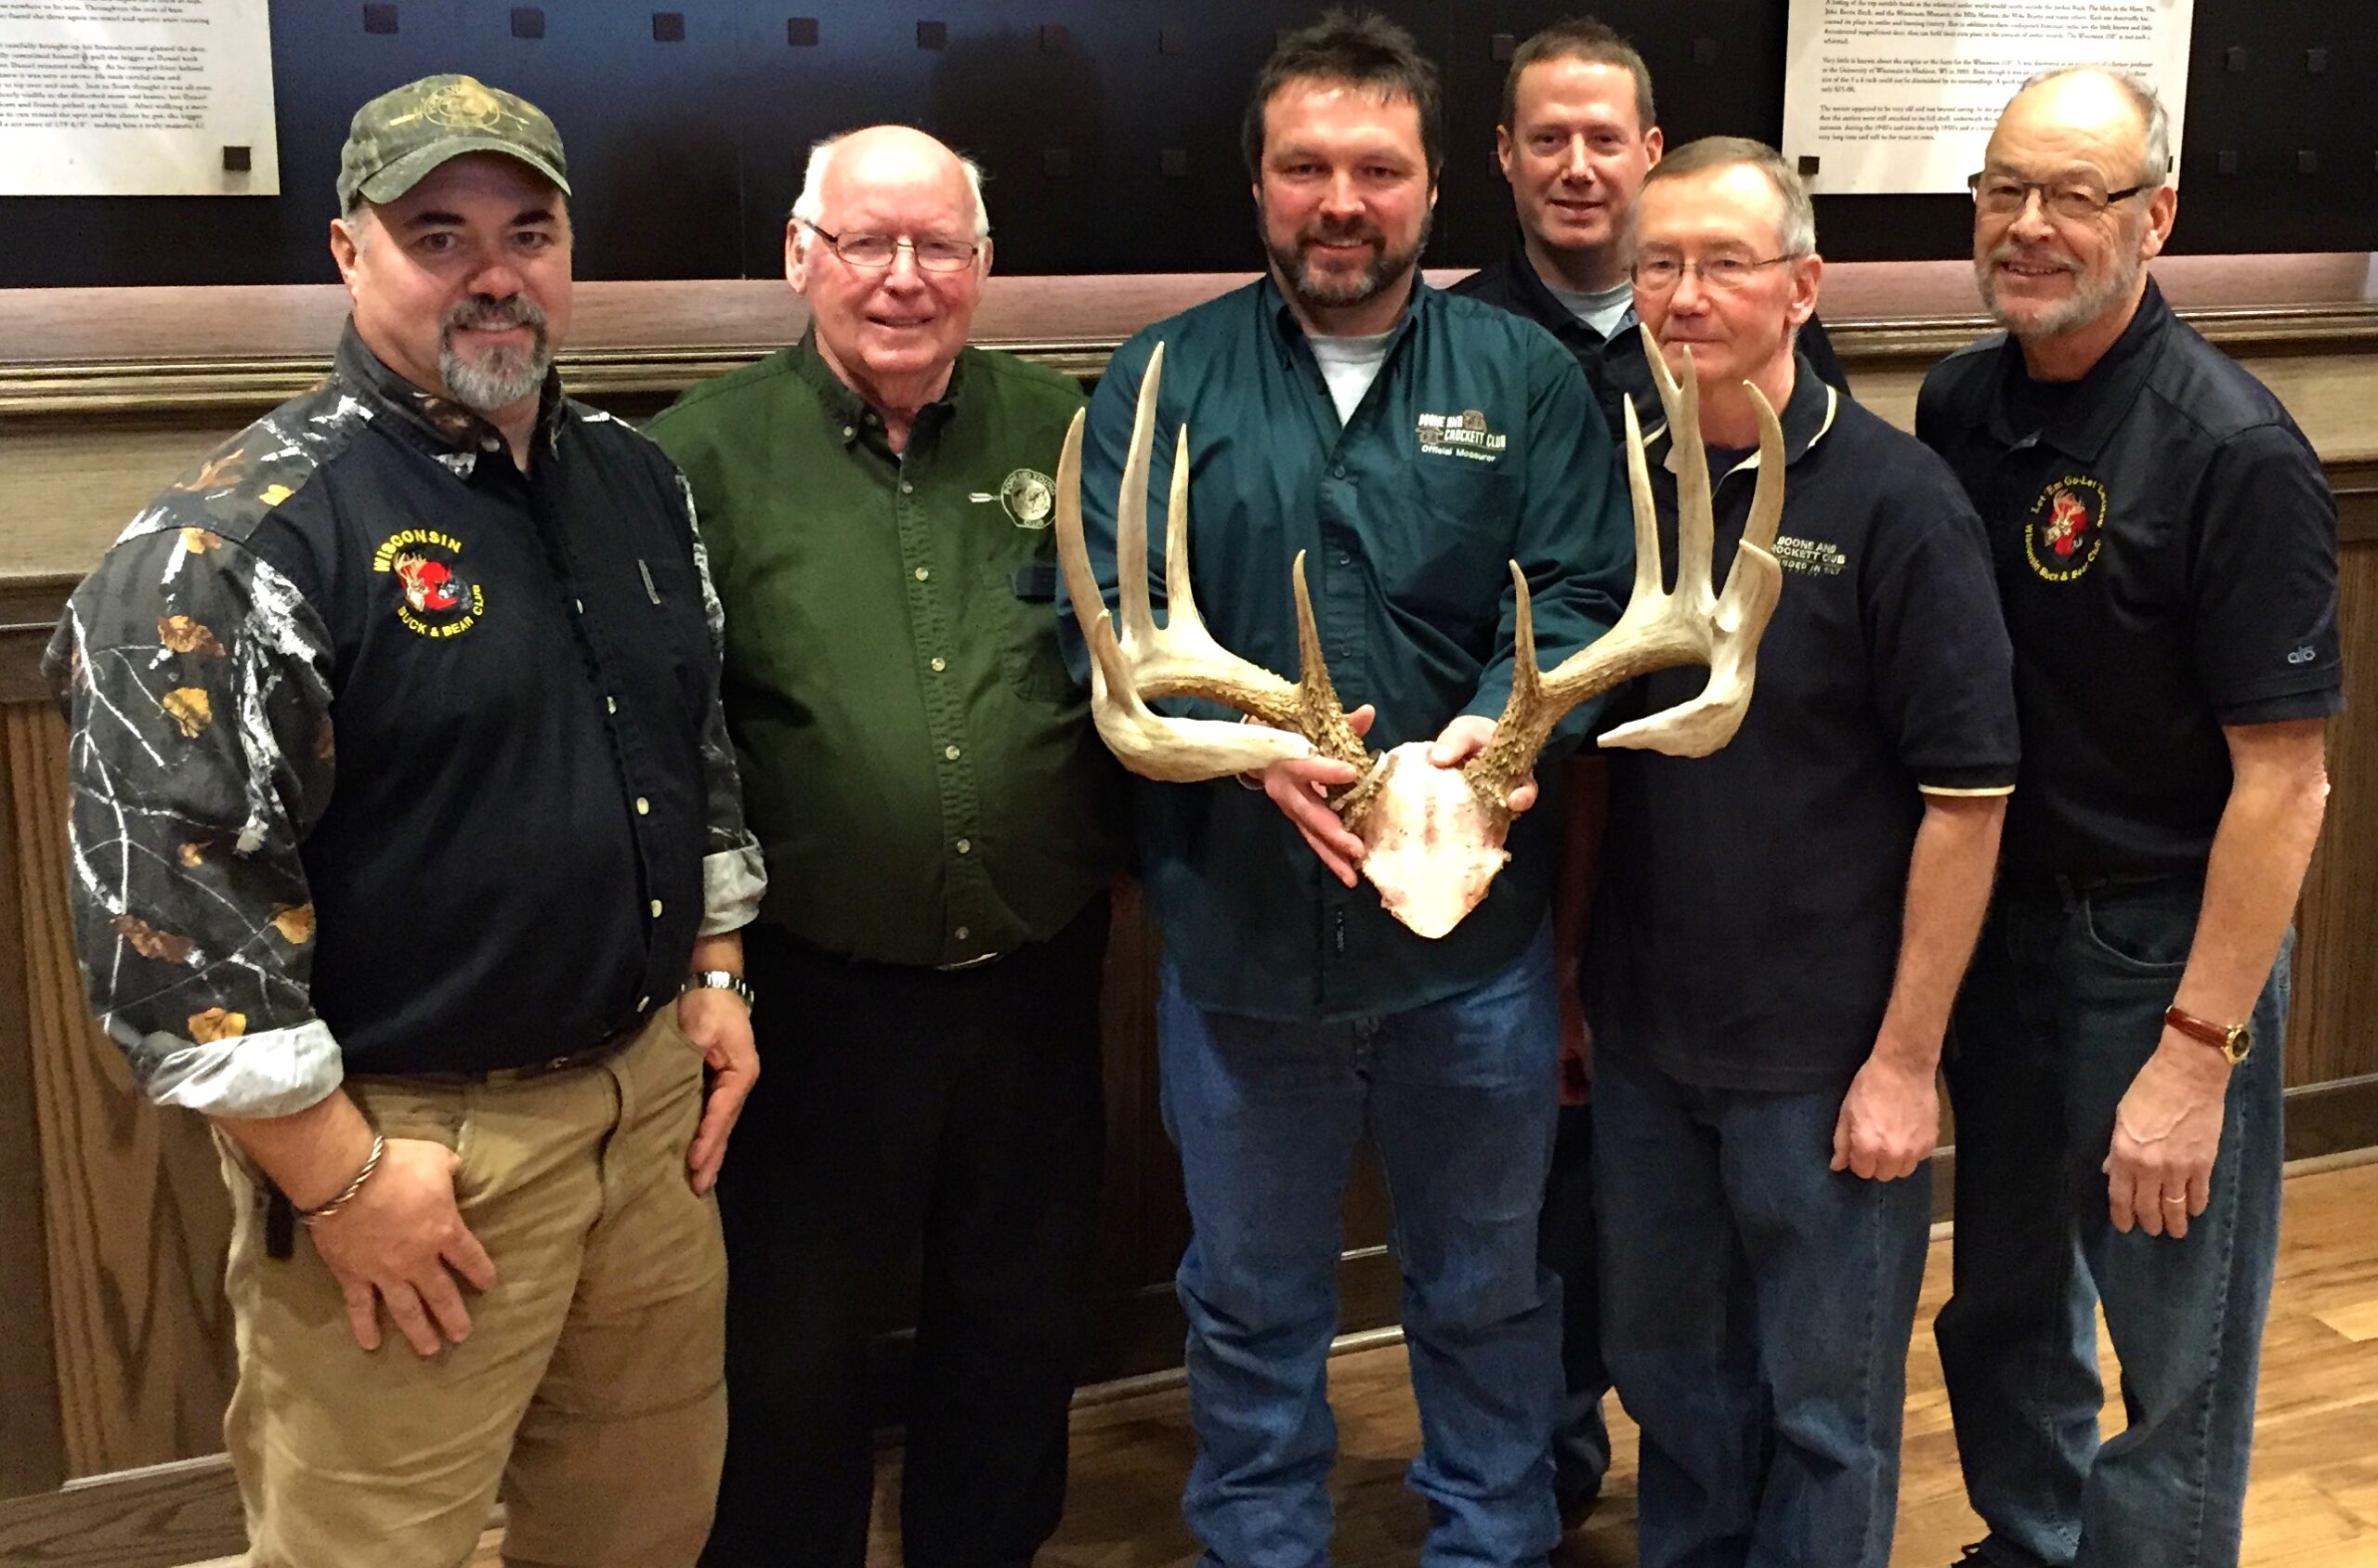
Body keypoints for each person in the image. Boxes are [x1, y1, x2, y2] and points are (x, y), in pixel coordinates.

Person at [44, 73, 764, 1568]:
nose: (492, 271)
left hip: (648, 1126)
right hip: (410, 1152)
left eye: (529, 229)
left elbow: (690, 740)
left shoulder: (636, 483)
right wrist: (343, 1177)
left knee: (640, 1527)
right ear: (345, 252)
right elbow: (166, 919)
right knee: (376, 1548)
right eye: (437, 232)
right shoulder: (235, 539)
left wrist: (713, 968)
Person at [1061, 12, 1631, 1563]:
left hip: (1474, 959)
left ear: (1434, 188)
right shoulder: (1159, 379)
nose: (1341, 200)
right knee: (1249, 1304)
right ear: (1257, 186)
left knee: (1485, 1289)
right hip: (1243, 949)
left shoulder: (1520, 375)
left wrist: (1500, 735)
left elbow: (1585, 597)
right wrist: (1250, 763)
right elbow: (1092, 633)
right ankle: (1261, 1548)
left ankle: (1490, 1542)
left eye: (1376, 168)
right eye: (1305, 165)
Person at [645, 124, 1125, 1568]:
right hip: (807, 998)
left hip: (1038, 979)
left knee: (1016, 1326)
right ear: (802, 255)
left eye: (940, 249)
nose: (903, 279)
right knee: (788, 1351)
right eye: (867, 243)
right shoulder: (692, 460)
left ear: (985, 267)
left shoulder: (1075, 434)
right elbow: (668, 736)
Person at [1918, 68, 2339, 1568]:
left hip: (2160, 956)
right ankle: (2033, 1547)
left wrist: (2196, 1053)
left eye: (2073, 196)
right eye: (2002, 191)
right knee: (2007, 1303)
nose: (2027, 226)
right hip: (1998, 936)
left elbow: (2289, 784)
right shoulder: (1961, 403)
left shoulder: (2236, 450)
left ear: (2155, 218)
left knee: (2177, 1349)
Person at [1581, 137, 2017, 1568]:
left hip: (1823, 1069)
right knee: (1679, 1395)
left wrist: (1904, 1063)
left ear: (1804, 283)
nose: (1684, 296)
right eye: (1658, 264)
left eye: (1723, 263)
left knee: (1827, 1417)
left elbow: (1968, 803)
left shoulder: (1899, 504)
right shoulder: (1621, 481)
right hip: (1649, 1047)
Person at [1448, 26, 1854, 1522]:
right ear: (1502, 157)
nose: (1574, 165)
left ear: (1647, 148)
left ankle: (1734, 1486)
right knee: (1551, 1203)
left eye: (1603, 139)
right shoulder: (1465, 344)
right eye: (1543, 138)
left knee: (1723, 1226)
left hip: (1727, 864)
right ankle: (1553, 1473)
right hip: (1544, 836)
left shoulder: (1743, 347)